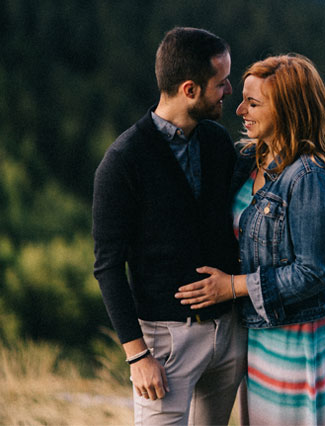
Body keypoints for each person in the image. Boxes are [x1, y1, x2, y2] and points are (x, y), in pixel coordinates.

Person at [175, 54, 325, 425]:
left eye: (253, 103)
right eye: (242, 98)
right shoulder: (250, 159)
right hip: (259, 333)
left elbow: (313, 273)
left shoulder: (309, 177)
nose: (239, 109)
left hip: (294, 342)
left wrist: (233, 287)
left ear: (289, 109)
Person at [92, 27, 246, 425]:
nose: (230, 90)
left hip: (229, 334)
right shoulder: (123, 162)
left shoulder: (215, 141)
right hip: (166, 343)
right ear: (190, 89)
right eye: (221, 82)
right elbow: (108, 267)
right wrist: (137, 355)